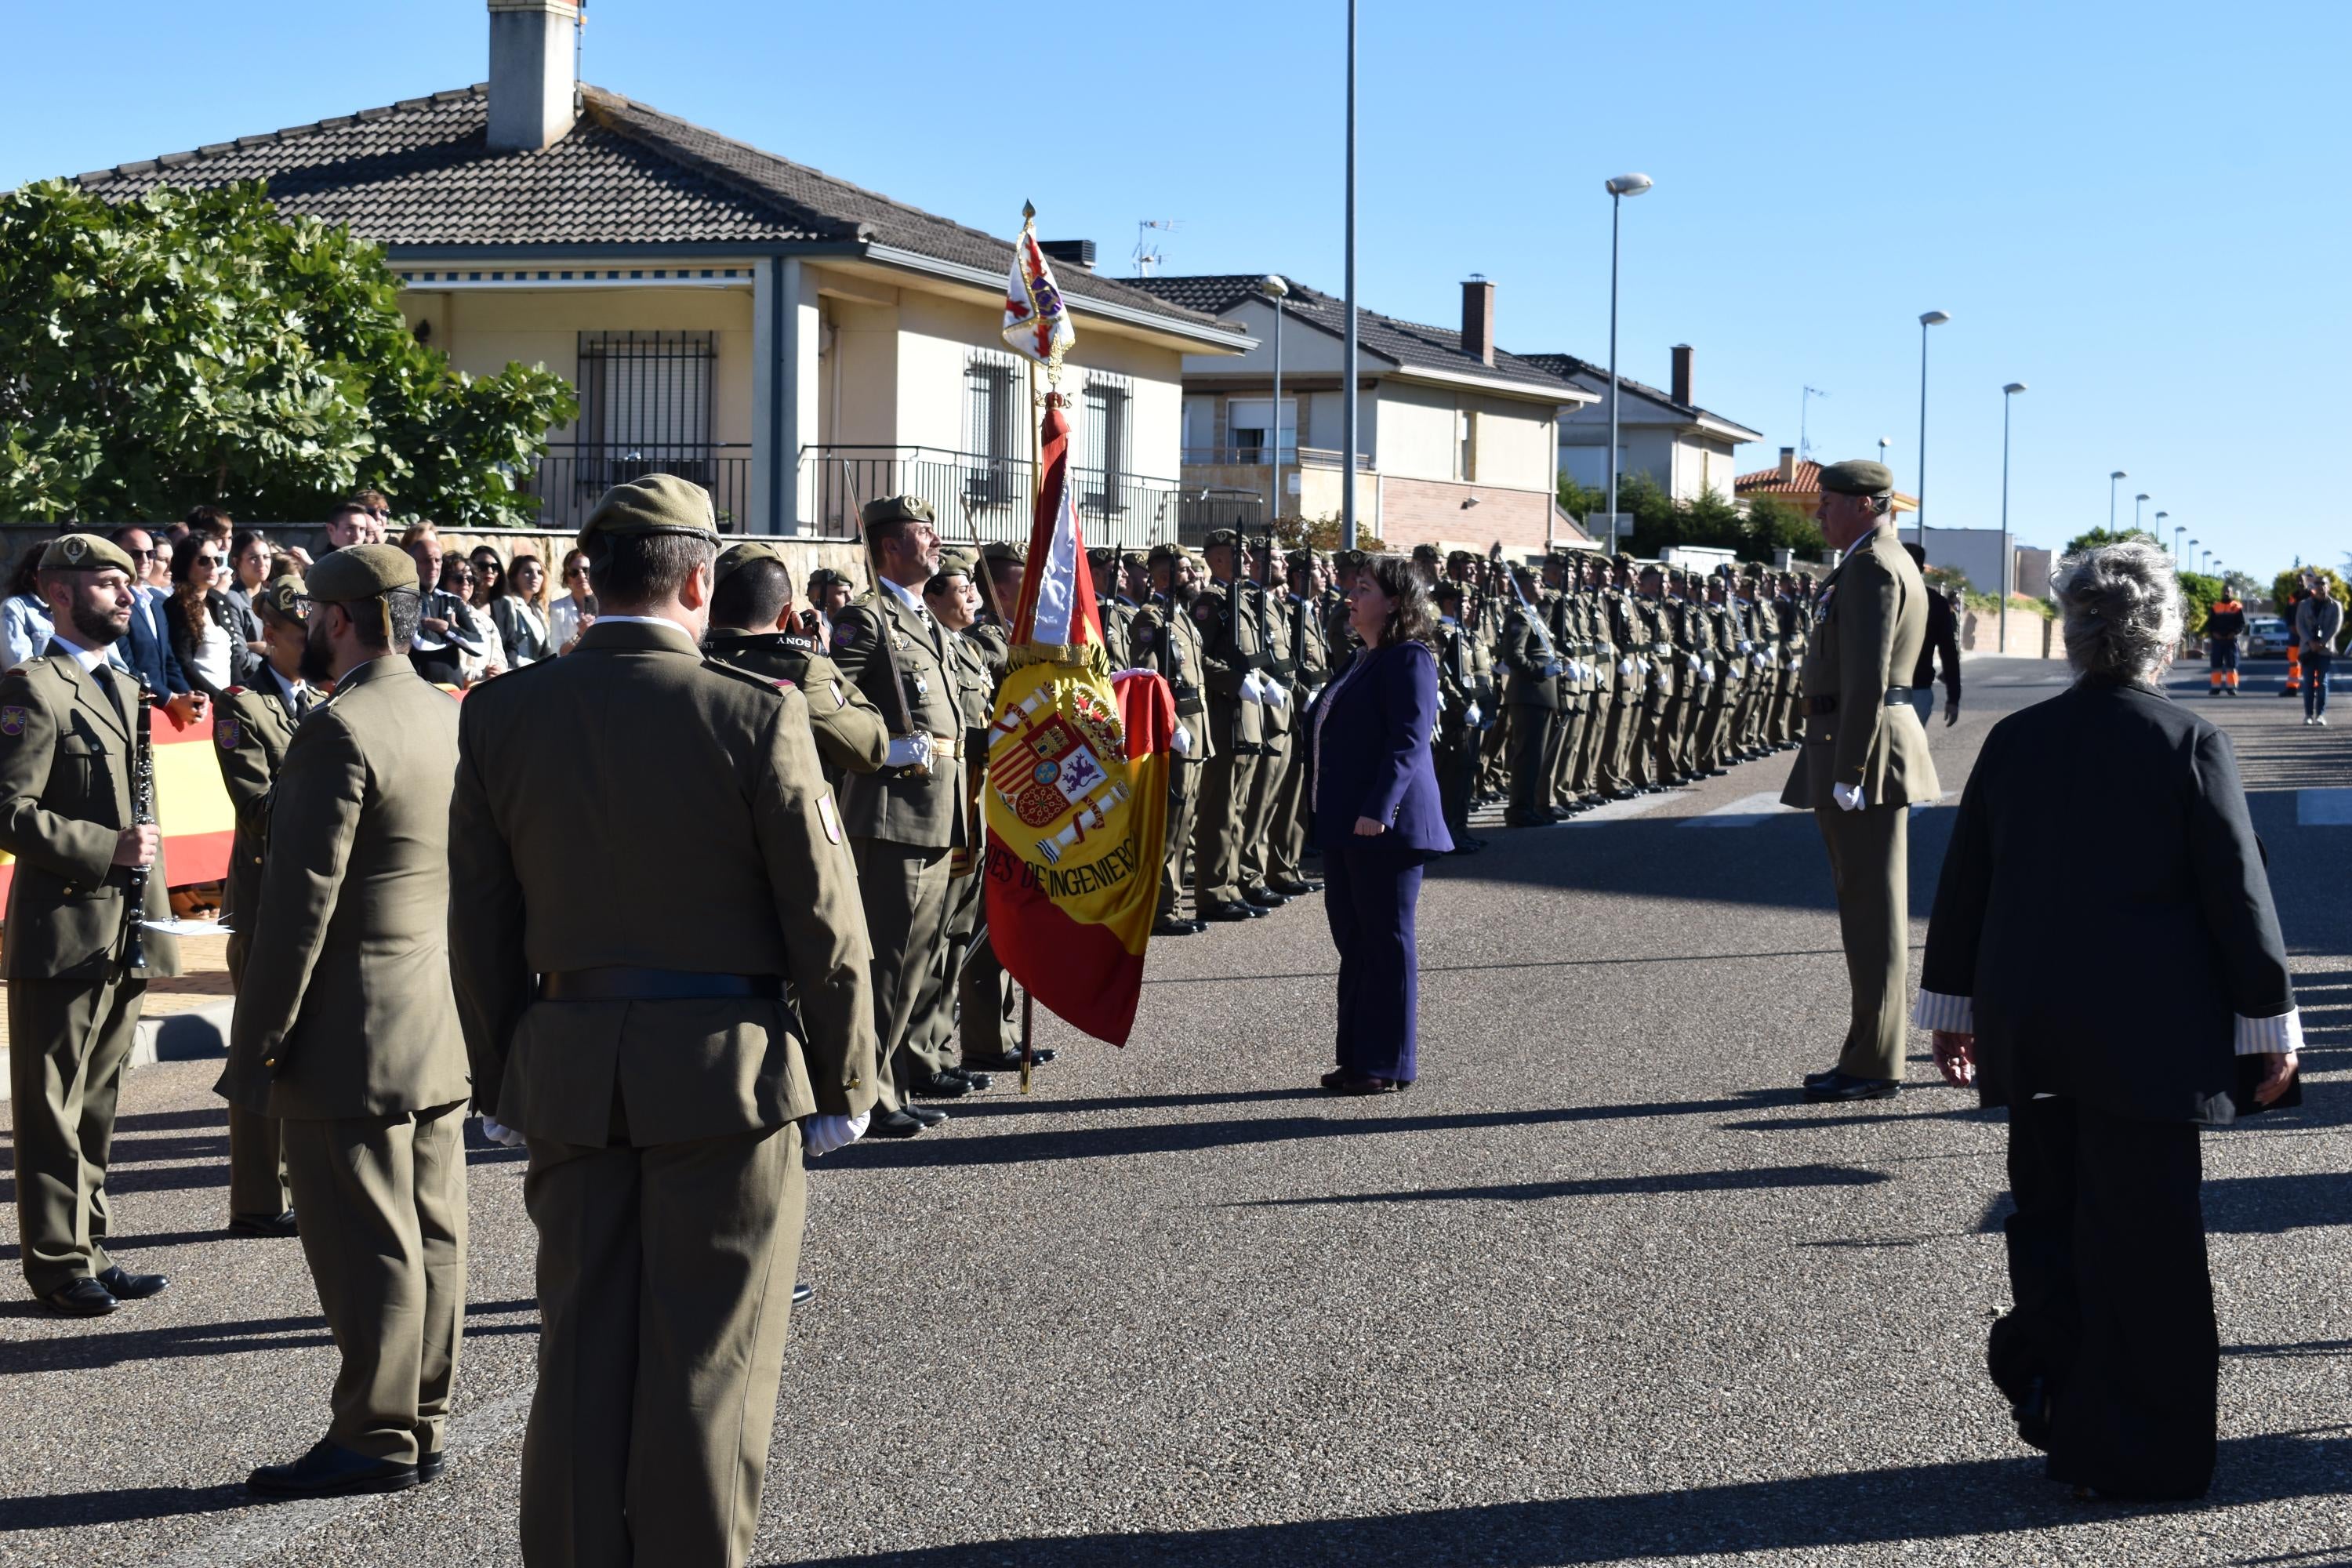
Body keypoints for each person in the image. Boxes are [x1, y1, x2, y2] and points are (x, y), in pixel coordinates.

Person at [448, 474, 877, 1567]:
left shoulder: (502, 712)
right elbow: (825, 923)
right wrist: (850, 1080)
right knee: (710, 1363)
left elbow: (481, 924)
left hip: (570, 1065)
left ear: (589, 580)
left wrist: (504, 1078)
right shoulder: (755, 708)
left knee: (581, 1356)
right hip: (725, 1074)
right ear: (699, 580)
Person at [1915, 540, 2300, 1502]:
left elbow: (1965, 884)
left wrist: (1950, 1007)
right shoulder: (2187, 739)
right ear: (2163, 632)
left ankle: (2058, 1403)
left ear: (2077, 632)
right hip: (2153, 1039)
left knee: (2049, 1220)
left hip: (2034, 1027)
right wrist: (2270, 1023)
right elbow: (2237, 895)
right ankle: (2149, 1451)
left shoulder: (2018, 739)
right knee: (2150, 1247)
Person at [219, 546, 468, 1497]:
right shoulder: (441, 712)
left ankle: (375, 1429)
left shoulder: (337, 729)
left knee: (366, 1239)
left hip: (350, 1025)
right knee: (432, 1229)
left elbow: (299, 906)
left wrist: (261, 1041)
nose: (307, 625)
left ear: (346, 615)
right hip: (434, 1015)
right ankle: (424, 1414)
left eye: (316, 611)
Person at [0, 534, 183, 1316]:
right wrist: (107, 849)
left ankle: (93, 1247)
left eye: (129, 584)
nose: (129, 597)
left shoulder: (129, 685)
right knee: (50, 1105)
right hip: (64, 925)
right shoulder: (32, 687)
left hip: (126, 927)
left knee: (100, 1101)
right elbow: (10, 810)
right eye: (110, 583)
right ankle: (55, 1261)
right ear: (59, 592)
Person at [1784, 459, 1941, 1104]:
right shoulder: (1870, 559)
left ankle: (1876, 1062)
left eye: (1828, 502)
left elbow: (1869, 678)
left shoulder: (1874, 565)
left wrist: (1850, 769)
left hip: (1866, 756)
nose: (1818, 512)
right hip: (1857, 749)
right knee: (1863, 912)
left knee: (1872, 917)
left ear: (1865, 504)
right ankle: (1865, 1052)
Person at [826, 495, 981, 1137]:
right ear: (891, 546)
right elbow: (834, 700)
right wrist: (883, 747)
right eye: (924, 532)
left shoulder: (923, 618)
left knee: (915, 964)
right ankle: (867, 1093)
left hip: (940, 808)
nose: (937, 541)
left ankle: (889, 1083)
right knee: (887, 963)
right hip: (895, 812)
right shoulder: (868, 621)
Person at [1311, 553, 1450, 1094]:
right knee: (1356, 941)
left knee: (1386, 941)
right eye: (1353, 586)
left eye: (1364, 588)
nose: (1352, 595)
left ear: (1394, 602)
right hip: (1346, 824)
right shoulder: (1360, 660)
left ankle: (1388, 1062)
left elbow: (1409, 740)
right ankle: (1358, 1057)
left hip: (1382, 826)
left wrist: (1381, 807)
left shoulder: (1408, 658)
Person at [209, 574, 317, 1240]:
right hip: (264, 903)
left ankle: (296, 1184)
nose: (310, 649)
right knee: (260, 1053)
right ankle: (254, 1200)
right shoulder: (242, 707)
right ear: (269, 636)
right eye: (298, 637)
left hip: (312, 899)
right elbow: (256, 808)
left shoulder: (322, 700)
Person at [703, 542, 887, 781]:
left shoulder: (687, 660)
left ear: (710, 612)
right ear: (785, 614)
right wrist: (819, 655)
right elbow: (871, 749)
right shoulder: (803, 672)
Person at [1133, 543, 1210, 935]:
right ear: (1162, 576)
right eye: (1183, 570)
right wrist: (1172, 723)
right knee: (1169, 824)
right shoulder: (1151, 618)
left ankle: (1174, 903)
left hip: (1197, 731)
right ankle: (1161, 909)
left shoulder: (1180, 616)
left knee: (1184, 823)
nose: (1193, 575)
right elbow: (1148, 680)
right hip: (1176, 732)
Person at [106, 528, 204, 726]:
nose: (145, 560)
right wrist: (171, 699)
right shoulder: (114, 603)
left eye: (150, 554)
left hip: (161, 715)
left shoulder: (156, 604)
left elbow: (169, 660)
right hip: (130, 712)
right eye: (136, 553)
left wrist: (188, 697)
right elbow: (124, 666)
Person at [162, 532, 263, 700]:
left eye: (217, 560)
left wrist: (241, 695)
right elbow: (183, 664)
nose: (213, 566)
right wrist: (218, 698)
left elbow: (233, 657)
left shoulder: (219, 600)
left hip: (226, 702)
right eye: (204, 561)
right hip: (199, 701)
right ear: (186, 564)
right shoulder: (176, 606)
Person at [401, 524, 489, 685]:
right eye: (427, 561)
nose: (434, 566)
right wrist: (459, 635)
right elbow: (422, 642)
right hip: (421, 689)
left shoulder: (452, 600)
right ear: (412, 562)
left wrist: (446, 628)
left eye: (437, 560)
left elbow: (480, 646)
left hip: (453, 692)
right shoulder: (404, 598)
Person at [1902, 544, 1962, 728]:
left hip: (1885, 689)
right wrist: (1953, 699)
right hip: (1918, 690)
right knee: (1908, 754)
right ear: (1922, 569)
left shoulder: (1879, 597)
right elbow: (1949, 652)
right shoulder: (1936, 602)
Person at [2293, 572, 2341, 726]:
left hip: (2324, 649)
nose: (2320, 588)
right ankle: (2308, 715)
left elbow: (2335, 626)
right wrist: (2310, 642)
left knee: (2322, 682)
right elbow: (2300, 625)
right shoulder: (2304, 605)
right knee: (2308, 683)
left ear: (2329, 587)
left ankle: (2320, 714)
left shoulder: (2335, 606)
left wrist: (2322, 643)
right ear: (2313, 588)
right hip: (2308, 649)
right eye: (2317, 585)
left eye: (2323, 585)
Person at [492, 554, 555, 668]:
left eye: (539, 573)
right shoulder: (507, 604)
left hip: (538, 672)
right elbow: (506, 646)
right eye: (528, 572)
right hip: (516, 672)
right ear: (514, 577)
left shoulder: (537, 609)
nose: (535, 576)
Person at [2, 539, 56, 670]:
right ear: (34, 575)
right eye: (53, 571)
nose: (61, 578)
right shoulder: (15, 609)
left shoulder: (76, 609)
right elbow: (19, 669)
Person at [550, 546, 595, 655]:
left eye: (586, 570)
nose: (581, 576)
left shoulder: (607, 604)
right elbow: (557, 653)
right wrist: (579, 634)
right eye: (574, 572)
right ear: (567, 577)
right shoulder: (557, 608)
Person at [2202, 589, 2245, 697]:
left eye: (2229, 591)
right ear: (2222, 593)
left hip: (2231, 641)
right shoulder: (2216, 607)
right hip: (2217, 640)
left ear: (2232, 593)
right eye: (2225, 591)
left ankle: (2232, 688)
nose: (2226, 593)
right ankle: (2215, 688)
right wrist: (2213, 633)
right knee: (2216, 664)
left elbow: (2241, 624)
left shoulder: (2237, 607)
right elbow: (2210, 624)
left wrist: (2234, 633)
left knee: (2232, 664)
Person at [226, 528, 275, 621]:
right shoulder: (230, 600)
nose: (262, 563)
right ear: (236, 562)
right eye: (254, 558)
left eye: (266, 557)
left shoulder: (273, 598)